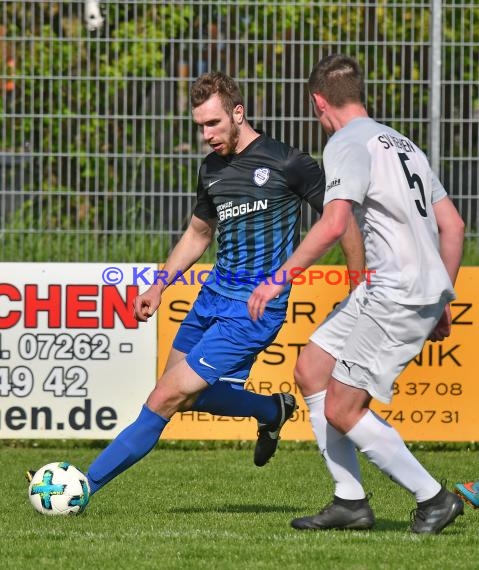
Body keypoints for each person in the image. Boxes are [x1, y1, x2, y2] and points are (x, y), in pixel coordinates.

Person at [30, 71, 362, 498]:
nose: (206, 135)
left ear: (238, 114)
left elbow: (343, 221)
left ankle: (81, 487)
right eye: (200, 126)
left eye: (213, 124)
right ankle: (271, 408)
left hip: (253, 310)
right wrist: (159, 285)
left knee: (165, 397)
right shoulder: (212, 169)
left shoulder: (288, 162)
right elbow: (199, 233)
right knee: (182, 395)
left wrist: (358, 284)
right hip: (211, 299)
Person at [248, 54, 466, 534]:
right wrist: (443, 296)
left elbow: (333, 223)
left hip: (396, 291)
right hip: (403, 287)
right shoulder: (403, 144)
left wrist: (278, 277)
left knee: (344, 408)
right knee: (311, 368)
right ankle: (350, 501)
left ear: (318, 102)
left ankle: (433, 498)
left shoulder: (345, 142)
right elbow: (453, 225)